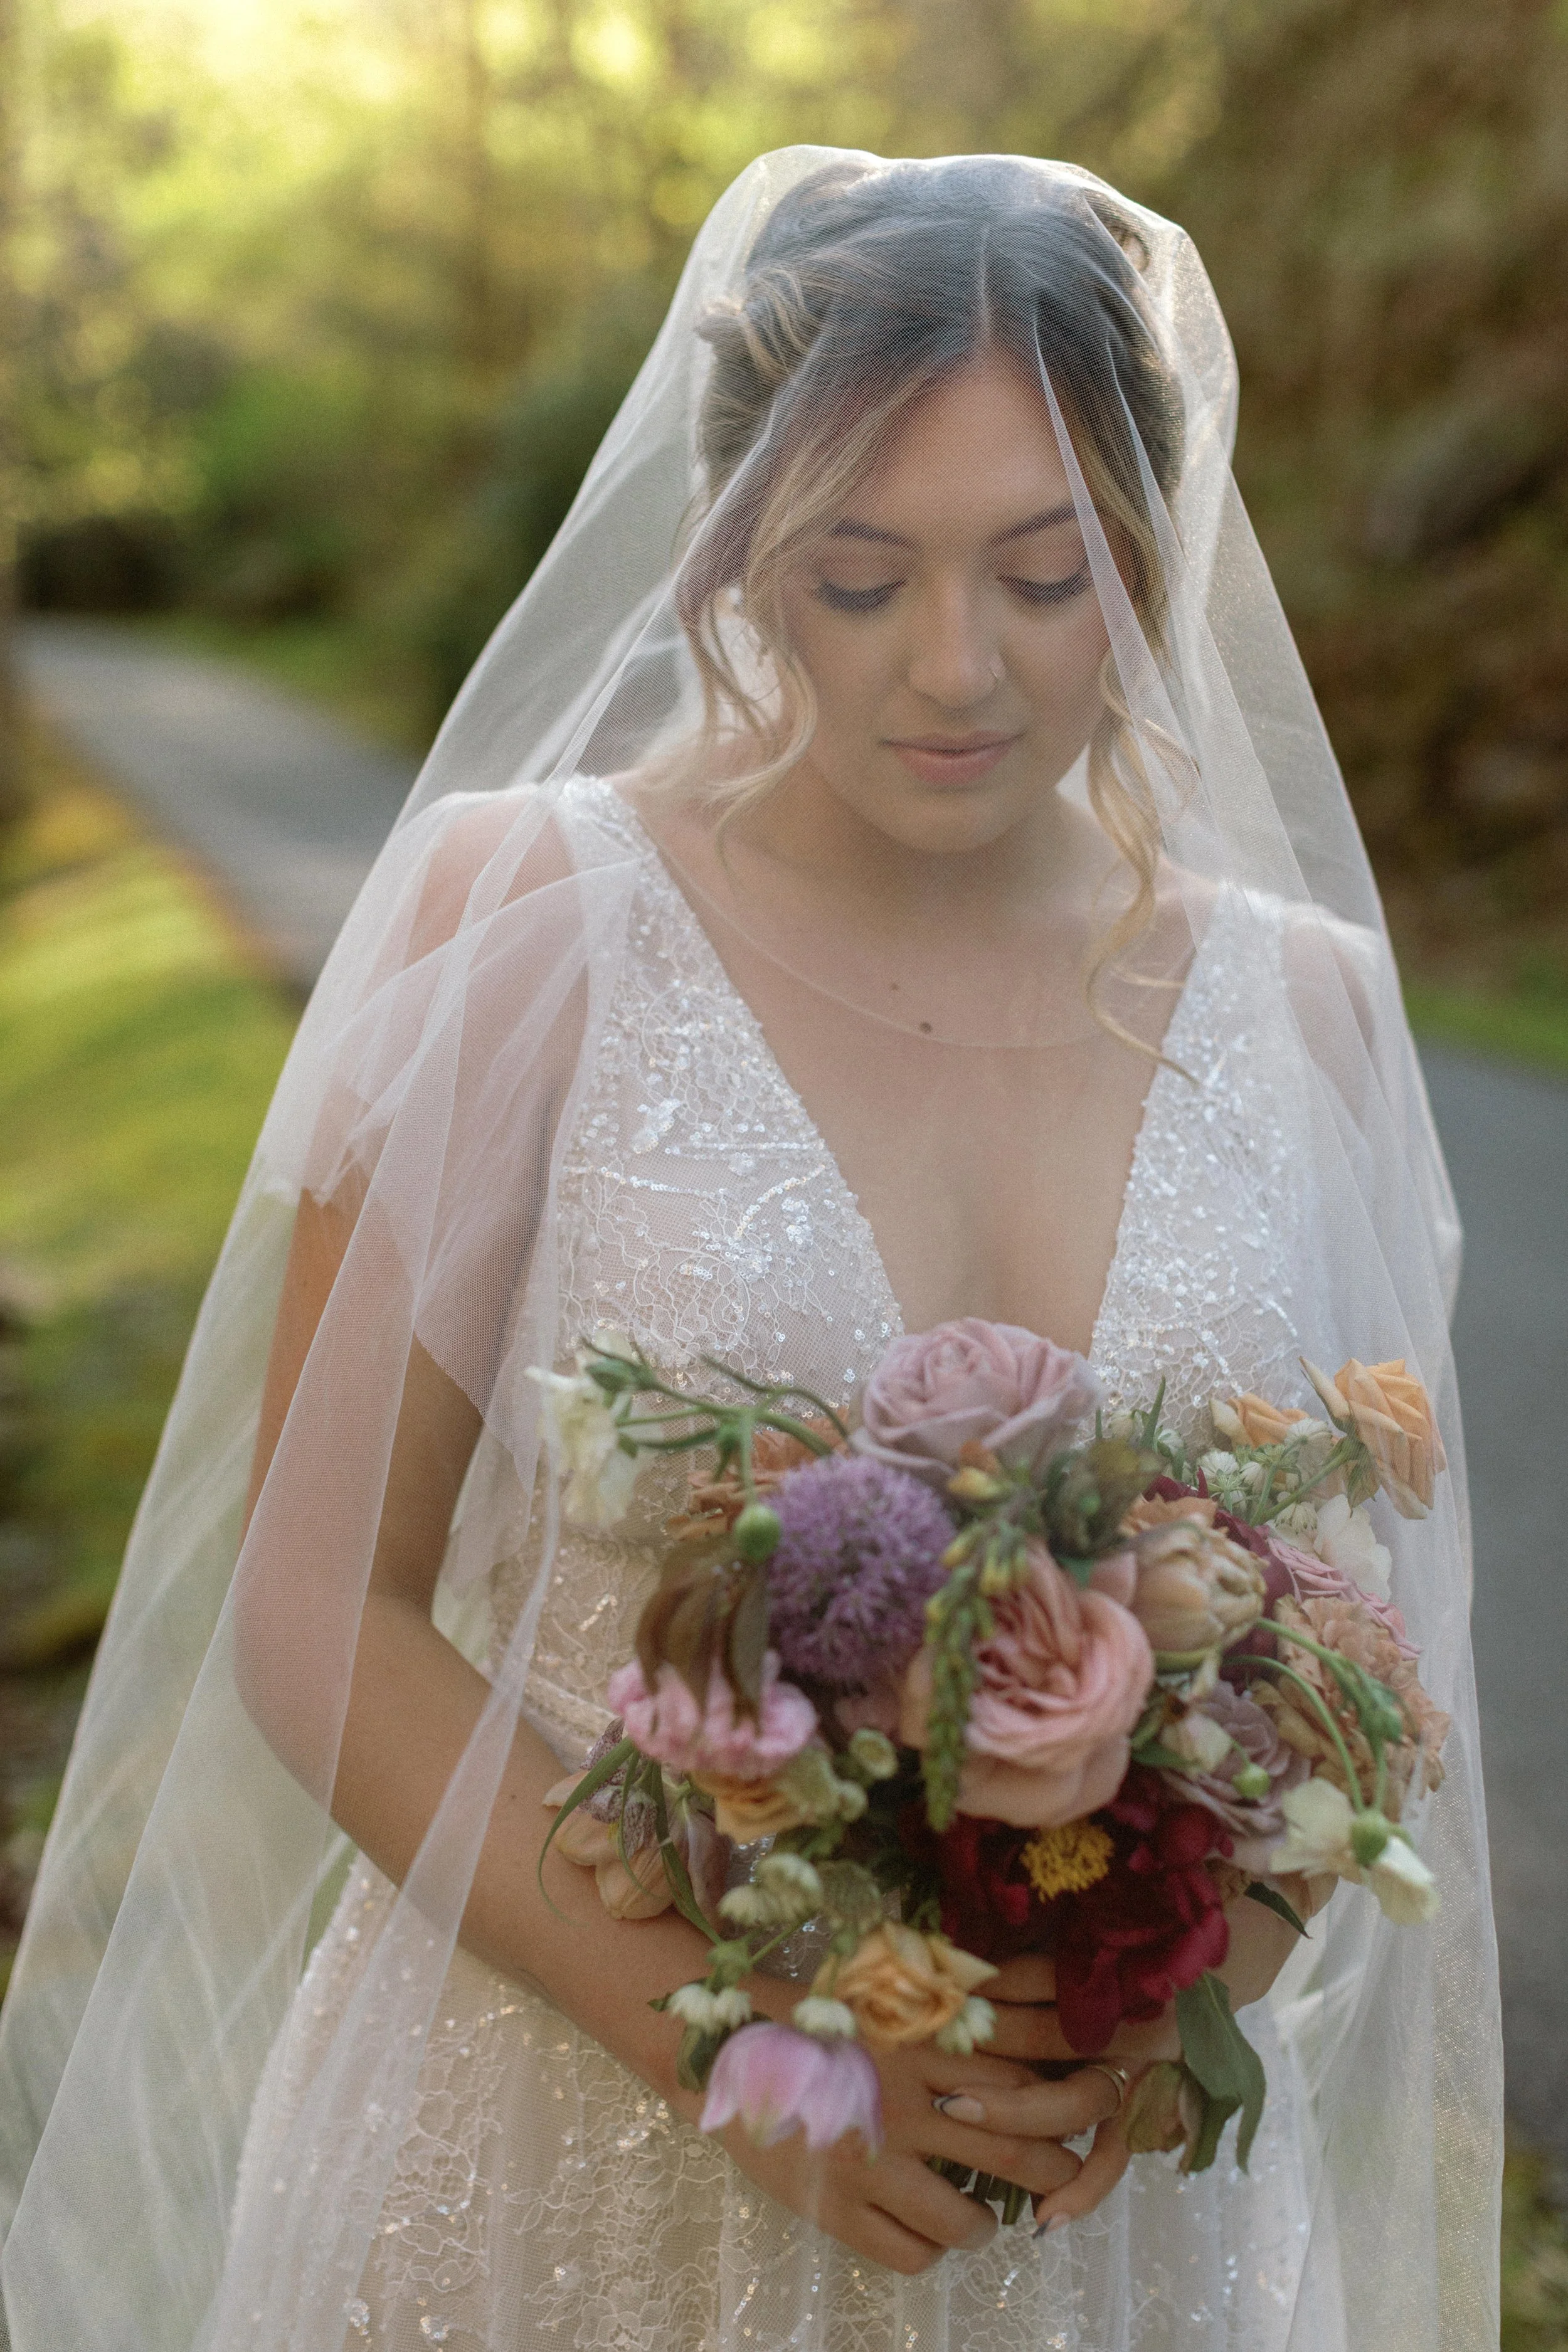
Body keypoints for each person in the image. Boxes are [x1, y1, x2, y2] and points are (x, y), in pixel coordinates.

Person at [0, 150, 1499, 2351]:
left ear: (1152, 553)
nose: (954, 668)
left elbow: (1360, 1658)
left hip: (1099, 2231)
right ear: (733, 552)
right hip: (555, 2169)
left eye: (1045, 570)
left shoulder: (1307, 1009)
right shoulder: (524, 919)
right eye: (859, 573)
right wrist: (730, 2049)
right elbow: (323, 1604)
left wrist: (1173, 1980)